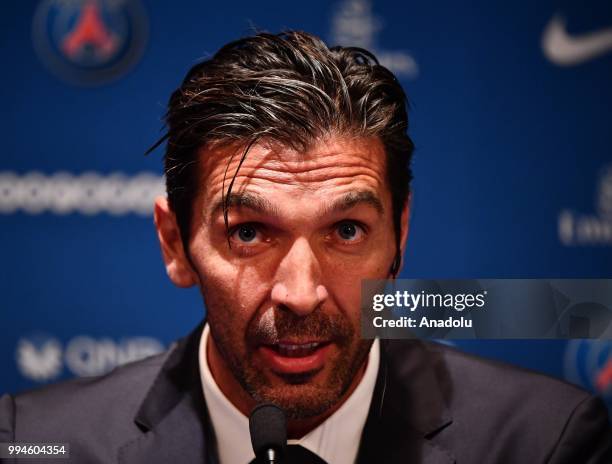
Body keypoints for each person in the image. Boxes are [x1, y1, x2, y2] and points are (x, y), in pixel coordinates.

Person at [0, 31, 610, 464]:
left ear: (399, 234)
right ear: (174, 244)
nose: (299, 294)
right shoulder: (35, 444)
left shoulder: (543, 441)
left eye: (346, 231)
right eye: (249, 233)